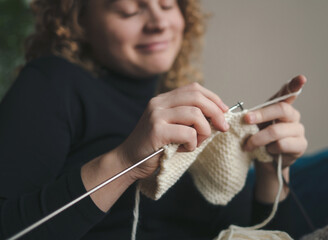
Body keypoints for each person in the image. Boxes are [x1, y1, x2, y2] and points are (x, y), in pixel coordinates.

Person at [0, 0, 308, 239]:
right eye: (129, 10)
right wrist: (125, 160)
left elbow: (258, 234)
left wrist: (271, 171)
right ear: (79, 19)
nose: (158, 23)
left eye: (167, 4)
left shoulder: (188, 115)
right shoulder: (53, 84)